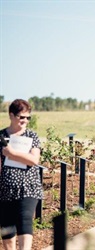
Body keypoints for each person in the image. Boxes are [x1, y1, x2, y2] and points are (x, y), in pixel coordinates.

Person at [0, 99, 43, 250]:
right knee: (7, 232)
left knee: (25, 220)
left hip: (28, 187)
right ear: (11, 115)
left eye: (27, 117)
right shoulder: (1, 136)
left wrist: (11, 153)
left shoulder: (32, 136)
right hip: (5, 189)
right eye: (21, 117)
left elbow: (33, 160)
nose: (25, 120)